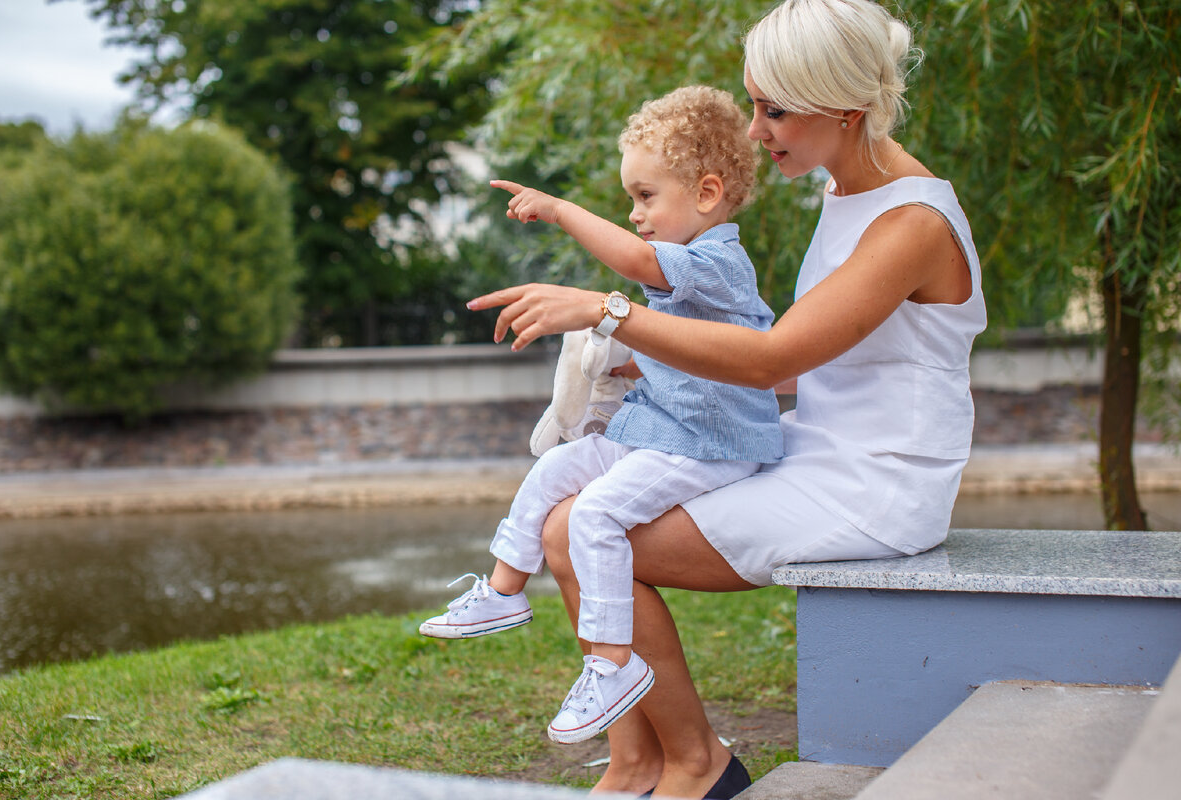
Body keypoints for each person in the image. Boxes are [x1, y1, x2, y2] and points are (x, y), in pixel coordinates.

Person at [465, 0, 988, 796]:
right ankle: (638, 762)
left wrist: (609, 312)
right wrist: (654, 371)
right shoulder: (849, 190)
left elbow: (772, 355)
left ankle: (698, 764)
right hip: (818, 448)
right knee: (570, 509)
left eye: (773, 109)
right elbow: (823, 366)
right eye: (754, 104)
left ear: (846, 108)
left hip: (878, 486)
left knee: (576, 533)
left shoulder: (911, 222)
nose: (753, 132)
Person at [419, 86, 784, 746]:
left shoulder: (715, 263)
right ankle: (504, 589)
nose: (634, 213)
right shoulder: (690, 274)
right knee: (559, 467)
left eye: (645, 197)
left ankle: (613, 663)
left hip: (709, 444)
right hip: (667, 427)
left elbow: (637, 263)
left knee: (594, 514)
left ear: (705, 194)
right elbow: (689, 351)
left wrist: (560, 211)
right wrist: (628, 367)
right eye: (632, 199)